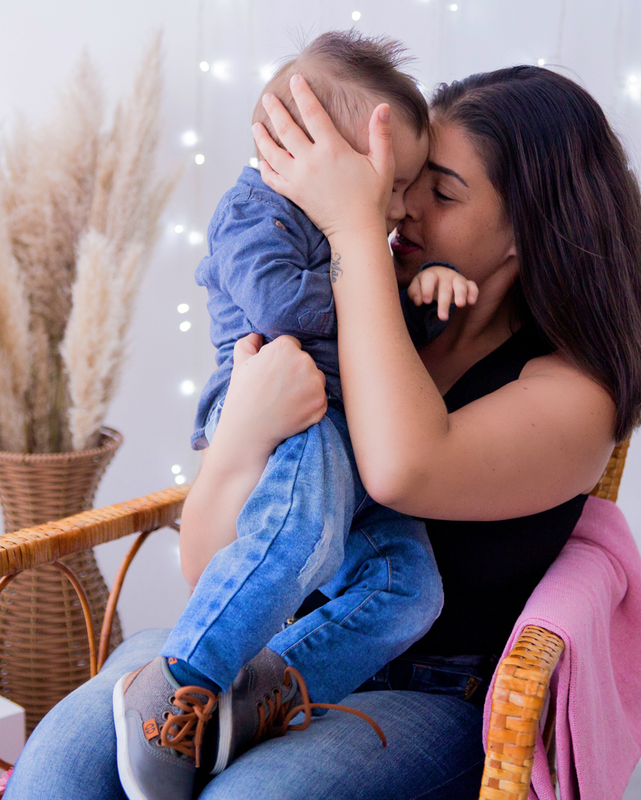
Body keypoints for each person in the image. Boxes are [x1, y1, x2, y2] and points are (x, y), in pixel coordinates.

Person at [5, 64, 641, 800]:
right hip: (245, 655)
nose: (402, 206)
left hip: (425, 695)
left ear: (528, 227)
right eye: (405, 180)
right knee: (61, 773)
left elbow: (400, 469)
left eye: (442, 192)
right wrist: (243, 434)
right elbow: (207, 562)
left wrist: (351, 228)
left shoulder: (574, 391)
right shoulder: (358, 308)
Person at [112, 31, 480, 800]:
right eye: (396, 184)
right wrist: (368, 265)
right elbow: (280, 306)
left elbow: (389, 358)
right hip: (285, 404)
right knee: (299, 535)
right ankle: (174, 683)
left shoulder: (366, 245)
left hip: (351, 426)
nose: (402, 208)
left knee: (411, 587)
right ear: (319, 158)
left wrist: (420, 294)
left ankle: (257, 694)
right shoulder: (255, 212)